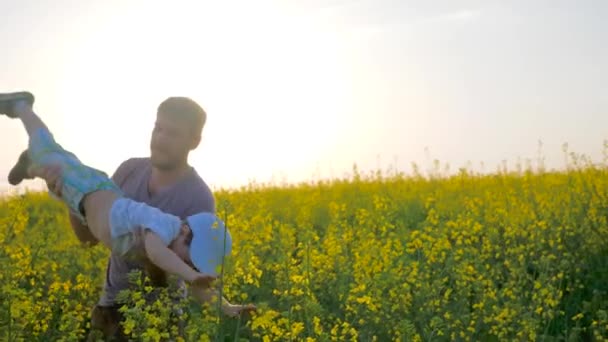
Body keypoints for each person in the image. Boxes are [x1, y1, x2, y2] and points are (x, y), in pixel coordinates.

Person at [1, 91, 256, 338]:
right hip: (111, 306)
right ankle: (23, 110)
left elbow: (196, 282)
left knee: (55, 157)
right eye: (158, 128)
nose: (160, 139)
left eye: (173, 133)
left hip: (160, 316)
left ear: (194, 141)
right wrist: (71, 202)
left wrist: (225, 306)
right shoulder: (141, 189)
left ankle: (30, 154)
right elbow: (89, 240)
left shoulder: (198, 200)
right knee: (51, 156)